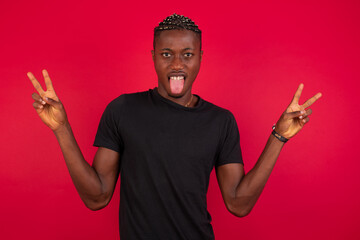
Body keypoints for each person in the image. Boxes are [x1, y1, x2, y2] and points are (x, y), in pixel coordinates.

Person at [28, 14, 322, 240]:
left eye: (187, 54)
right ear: (154, 56)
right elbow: (97, 196)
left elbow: (238, 204)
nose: (177, 64)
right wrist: (61, 128)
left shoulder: (221, 121)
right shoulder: (123, 110)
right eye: (166, 54)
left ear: (201, 58)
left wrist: (279, 136)